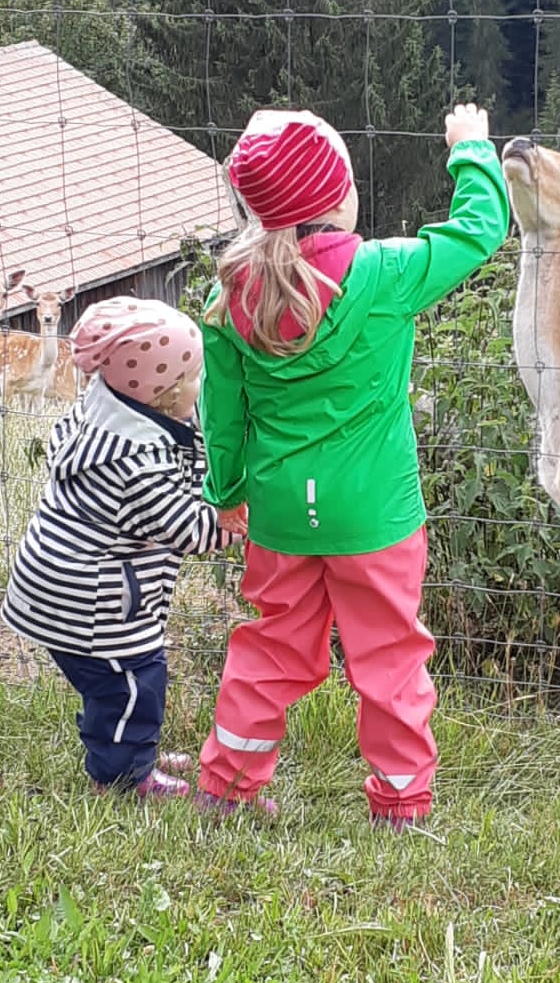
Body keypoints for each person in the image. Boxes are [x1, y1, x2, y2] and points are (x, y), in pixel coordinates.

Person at [196, 102, 509, 829]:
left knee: (270, 648)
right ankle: (399, 804)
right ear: (339, 197)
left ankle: (227, 786)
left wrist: (227, 493)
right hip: (375, 516)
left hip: (278, 513)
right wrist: (470, 149)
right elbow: (478, 232)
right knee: (388, 657)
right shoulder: (384, 273)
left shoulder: (228, 295)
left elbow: (225, 415)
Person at [2, 297, 244, 799]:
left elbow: (182, 447)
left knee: (114, 686)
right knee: (133, 682)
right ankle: (124, 775)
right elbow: (185, 528)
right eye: (196, 380)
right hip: (93, 602)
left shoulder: (110, 411)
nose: (202, 391)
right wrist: (235, 522)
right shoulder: (131, 462)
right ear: (164, 394)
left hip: (60, 583)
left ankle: (130, 747)